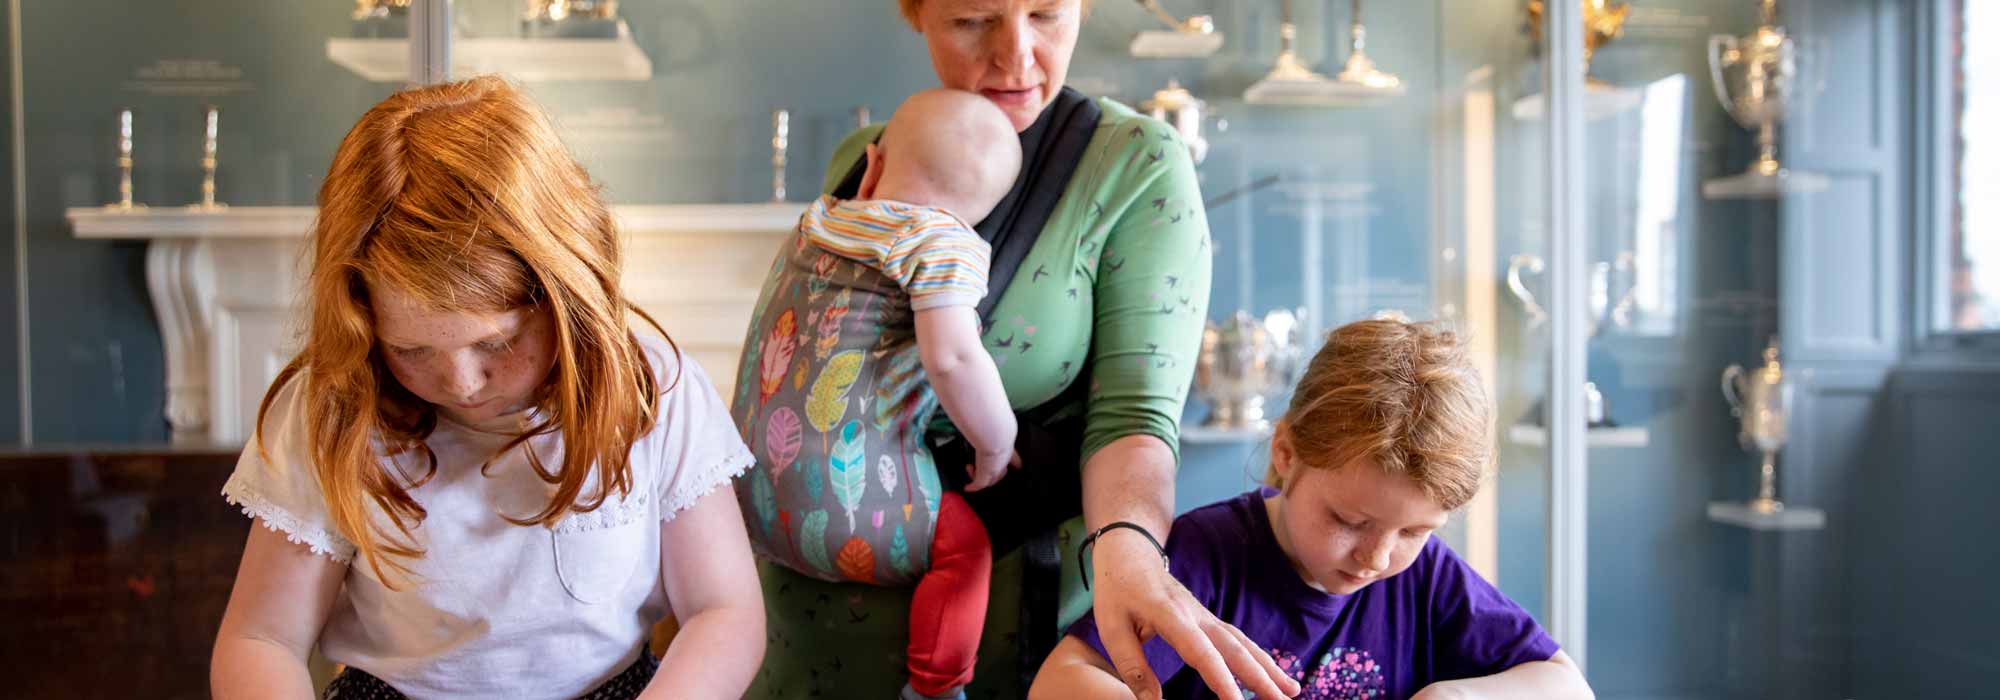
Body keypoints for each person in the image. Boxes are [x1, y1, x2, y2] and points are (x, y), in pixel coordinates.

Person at [741, 1, 1299, 699]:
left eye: (1044, 14)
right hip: (806, 609)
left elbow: (1132, 415)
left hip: (998, 624)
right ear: (917, 14)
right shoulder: (864, 153)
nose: (1016, 56)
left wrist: (1129, 547)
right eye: (973, 21)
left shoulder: (1136, 166)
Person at [208, 76, 765, 700]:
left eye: (495, 342)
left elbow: (724, 613)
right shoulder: (337, 406)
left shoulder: (652, 391)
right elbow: (263, 640)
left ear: (566, 296)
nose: (461, 382)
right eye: (411, 349)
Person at [1028, 320, 1598, 700]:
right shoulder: (1209, 555)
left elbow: (1568, 686)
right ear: (1286, 452)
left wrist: (1455, 695)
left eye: (1416, 530)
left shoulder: (1426, 577)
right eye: (1349, 522)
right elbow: (1058, 684)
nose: (1377, 556)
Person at [730, 88, 1024, 700]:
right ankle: (935, 687)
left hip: (750, 497)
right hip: (854, 514)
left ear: (875, 164)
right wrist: (997, 443)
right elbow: (951, 357)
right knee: (966, 552)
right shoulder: (941, 244)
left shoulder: (818, 223)